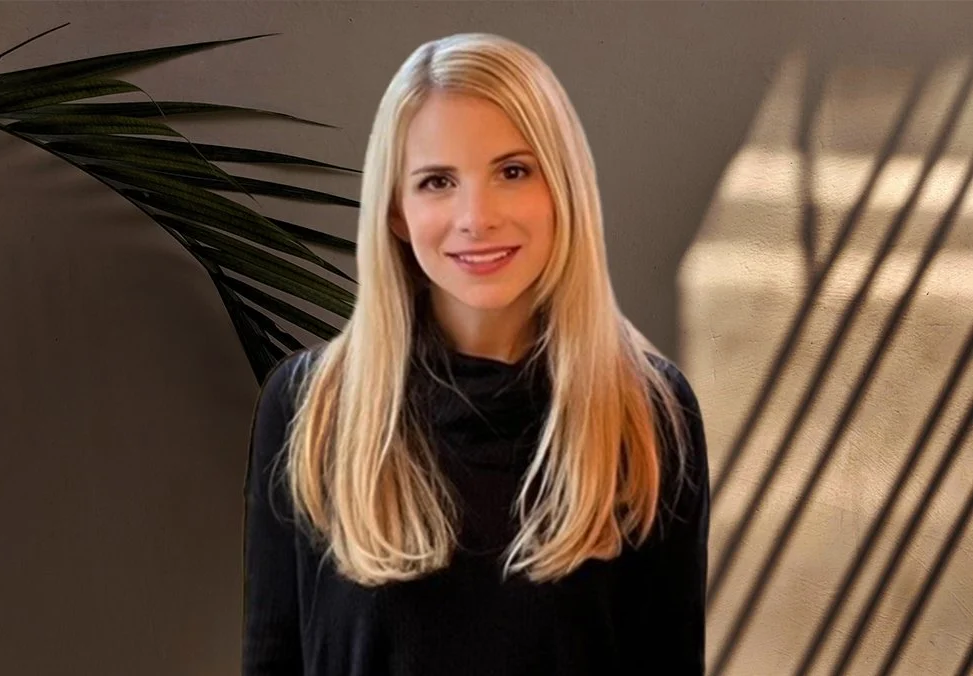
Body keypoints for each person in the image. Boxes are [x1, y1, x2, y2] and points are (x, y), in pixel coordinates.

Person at [242, 31, 709, 676]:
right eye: (437, 181)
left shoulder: (647, 412)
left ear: (563, 189)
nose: (476, 216)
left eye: (512, 172)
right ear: (397, 212)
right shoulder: (309, 407)